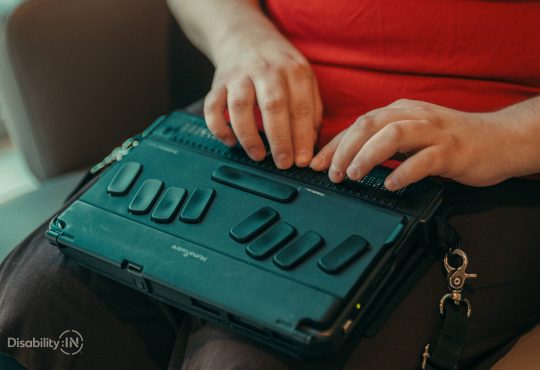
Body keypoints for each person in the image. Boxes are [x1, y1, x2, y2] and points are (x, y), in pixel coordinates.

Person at [0, 0, 539, 369]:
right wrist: (243, 40)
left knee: (247, 359)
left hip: (472, 162)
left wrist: (503, 134)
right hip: (257, 121)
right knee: (37, 308)